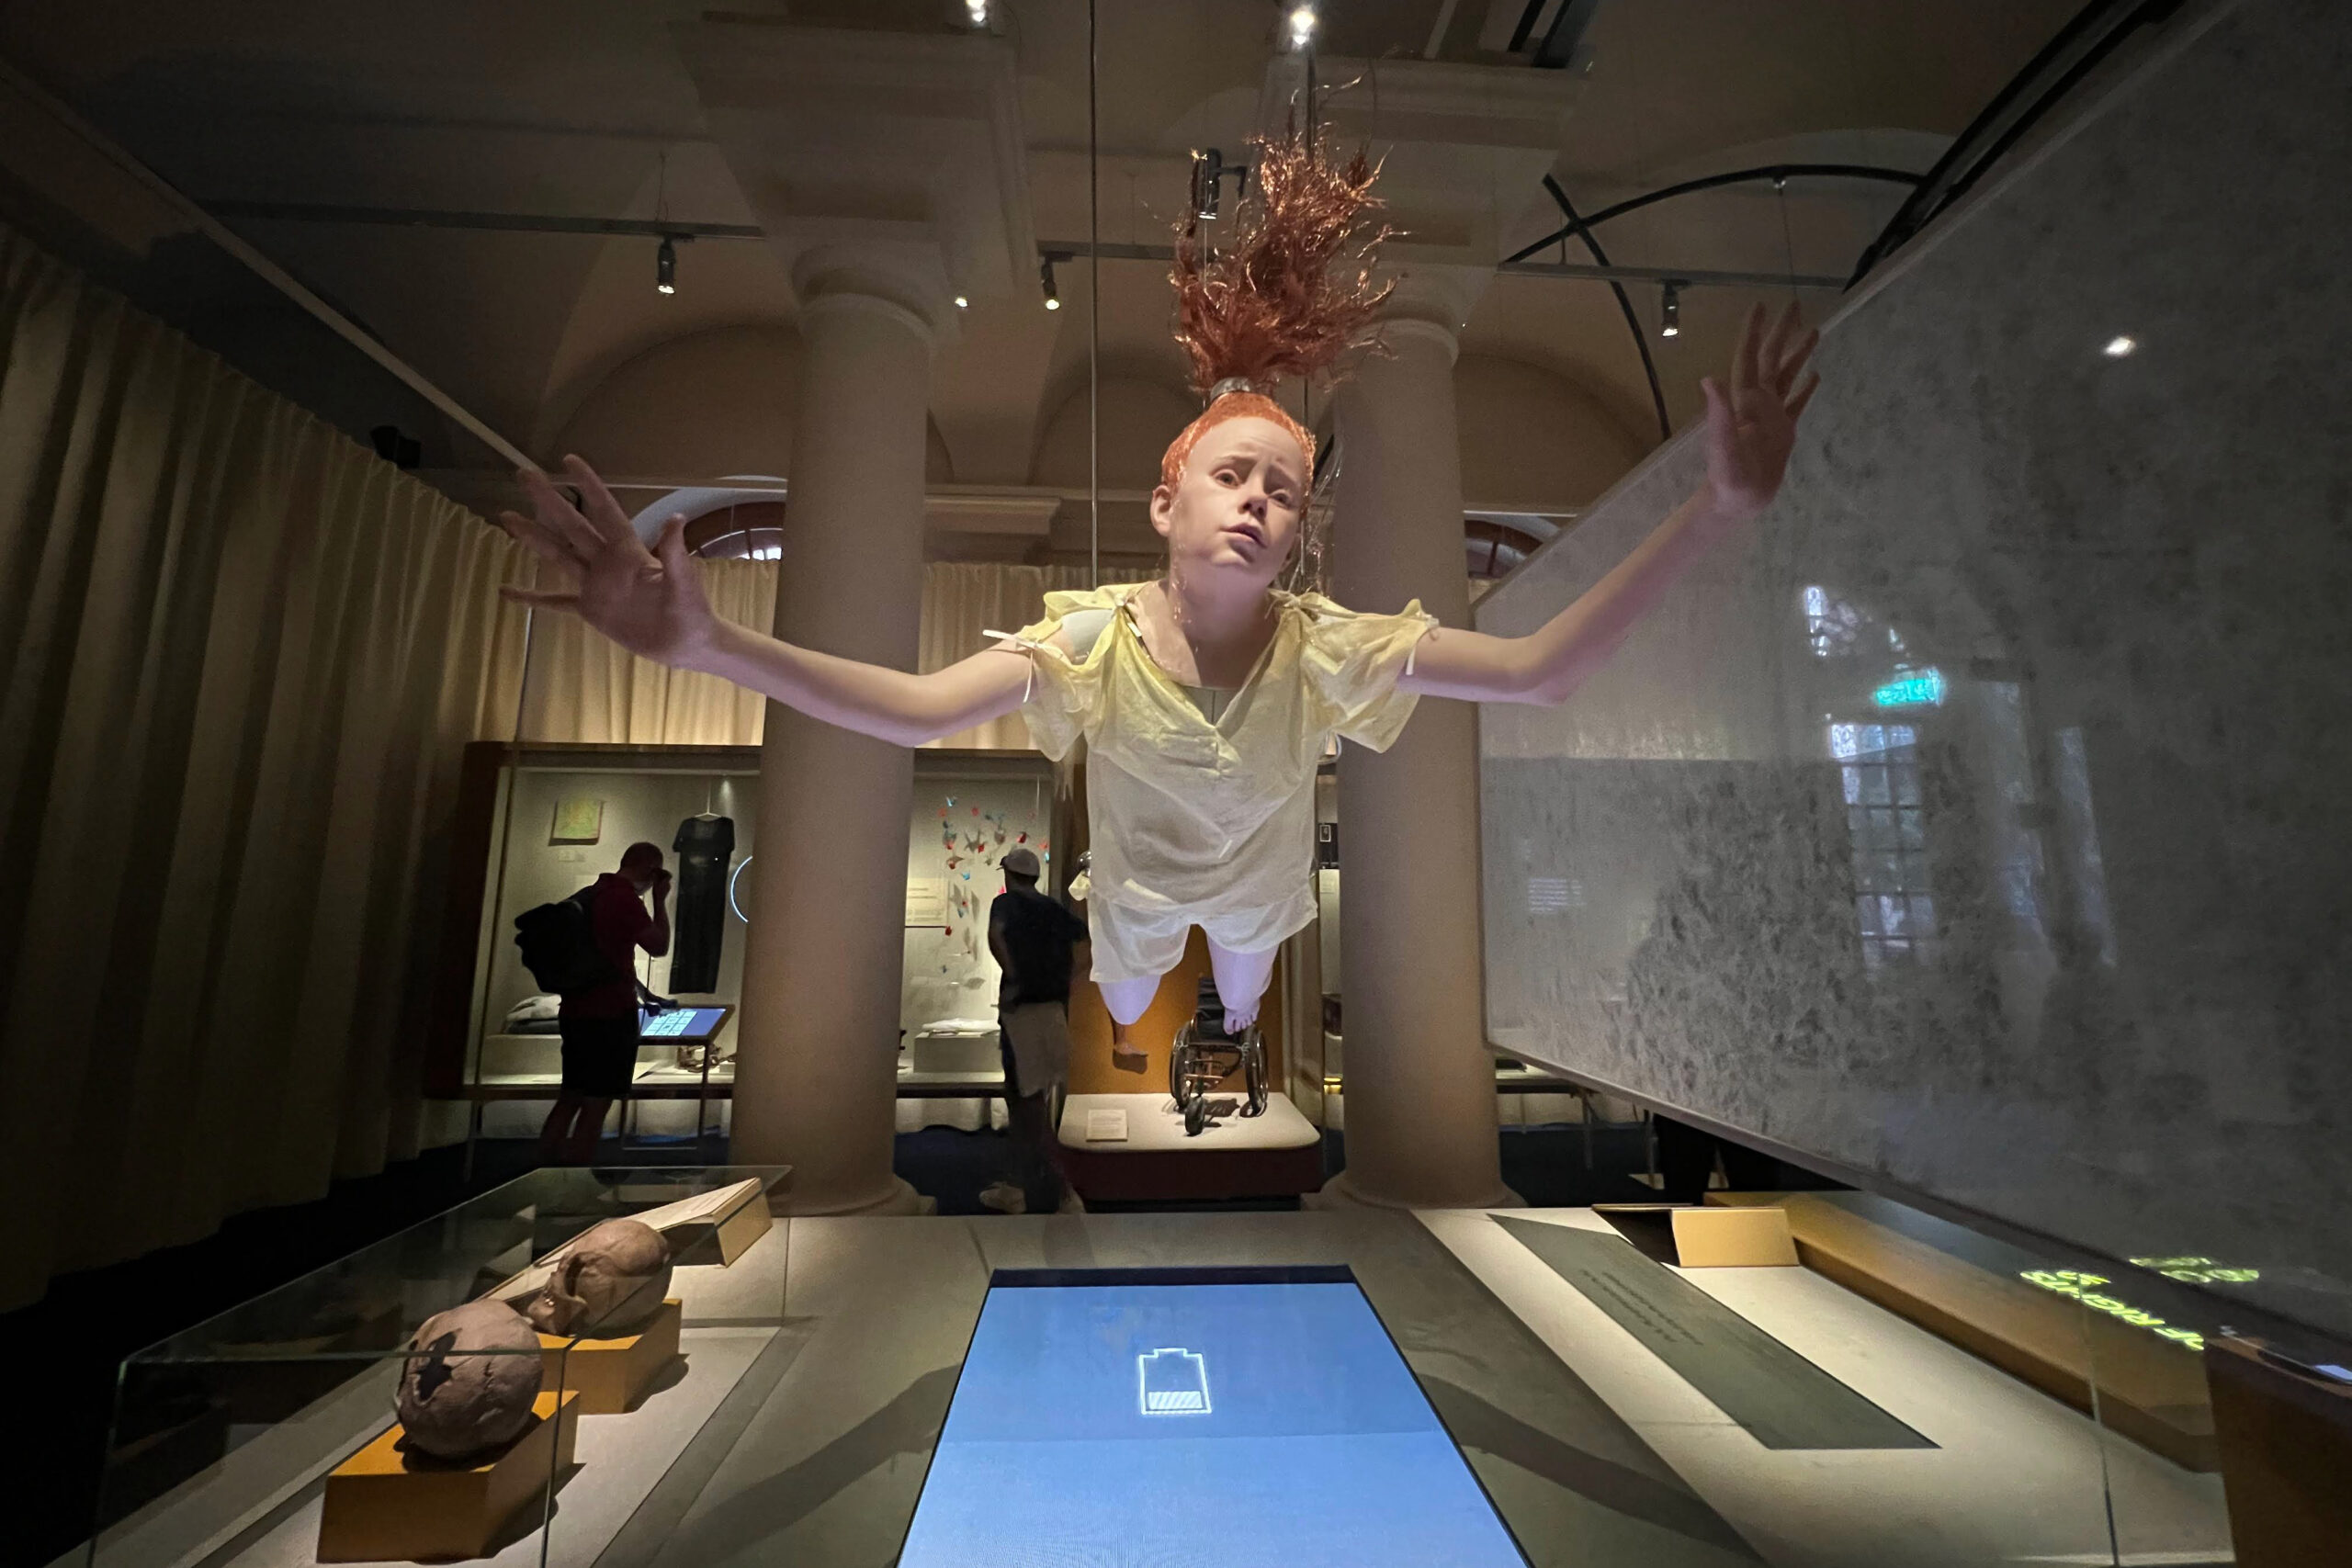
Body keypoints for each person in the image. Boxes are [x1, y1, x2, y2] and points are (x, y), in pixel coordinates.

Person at [495, 122, 1818, 1071]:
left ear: (1302, 532)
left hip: (1260, 894)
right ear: (1164, 502)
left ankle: (1233, 1017)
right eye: (1233, 475)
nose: (1259, 501)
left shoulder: (1324, 647)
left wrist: (1718, 508)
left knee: (1242, 984)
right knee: (1128, 1002)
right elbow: (906, 710)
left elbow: (1538, 669)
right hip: (1126, 893)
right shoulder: (1091, 638)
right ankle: (1161, 1008)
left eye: (1287, 491)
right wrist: (707, 637)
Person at [538, 841, 672, 1165]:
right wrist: (659, 900)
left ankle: (541, 1172)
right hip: (610, 1015)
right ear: (650, 869)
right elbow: (658, 946)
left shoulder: (590, 893)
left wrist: (641, 990)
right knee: (597, 1103)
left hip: (575, 1011)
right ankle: (576, 1182)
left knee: (570, 1097)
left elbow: (604, 958)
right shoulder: (623, 899)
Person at [982, 845, 1088, 1213]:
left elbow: (996, 937)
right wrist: (1064, 983)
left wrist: (1013, 975)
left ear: (1008, 875)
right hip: (1052, 1011)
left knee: (1028, 1106)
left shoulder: (1006, 904)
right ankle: (1015, 1185)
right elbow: (1085, 948)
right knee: (1027, 1100)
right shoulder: (1055, 910)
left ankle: (1064, 1192)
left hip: (1021, 1013)